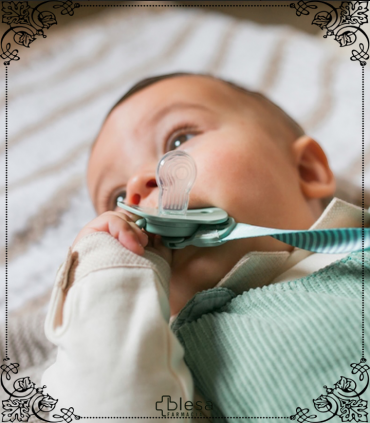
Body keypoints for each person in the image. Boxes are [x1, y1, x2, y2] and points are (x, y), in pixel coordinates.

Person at [41, 73, 370, 421]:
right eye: (118, 198)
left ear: (306, 170)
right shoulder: (165, 359)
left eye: (179, 139)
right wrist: (109, 275)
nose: (138, 184)